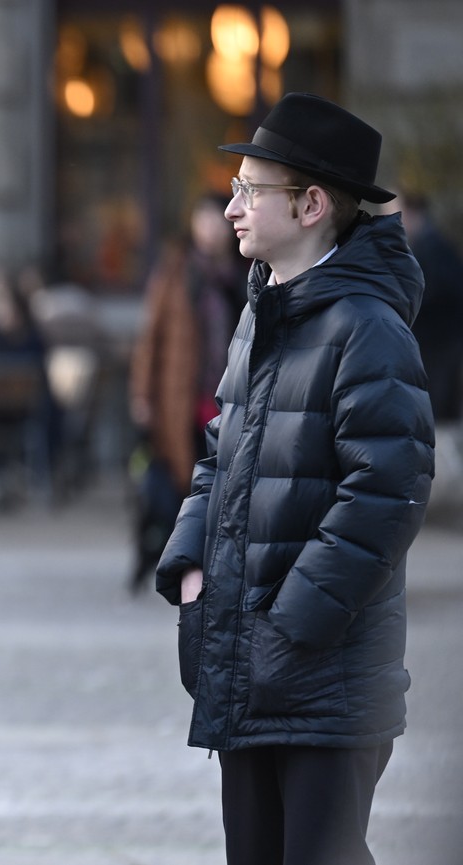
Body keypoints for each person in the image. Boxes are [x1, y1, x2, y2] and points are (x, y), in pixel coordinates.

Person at [157, 92, 434, 865]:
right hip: (251, 671)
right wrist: (190, 571)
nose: (232, 206)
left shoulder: (366, 325)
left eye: (252, 189)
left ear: (312, 205)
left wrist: (288, 624)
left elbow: (388, 490)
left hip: (325, 682)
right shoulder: (266, 310)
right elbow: (220, 450)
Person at [127, 193, 244, 592]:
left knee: (224, 483)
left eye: (217, 221)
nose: (211, 229)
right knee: (183, 480)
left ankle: (213, 564)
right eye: (203, 220)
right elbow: (150, 338)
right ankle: (174, 563)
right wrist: (142, 397)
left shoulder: (243, 274)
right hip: (182, 397)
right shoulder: (176, 270)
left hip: (228, 396)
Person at [395, 189, 463, 422]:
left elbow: (436, 296)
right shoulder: (429, 246)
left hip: (438, 349)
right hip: (437, 348)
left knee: (437, 420)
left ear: (414, 212)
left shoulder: (432, 249)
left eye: (398, 213)